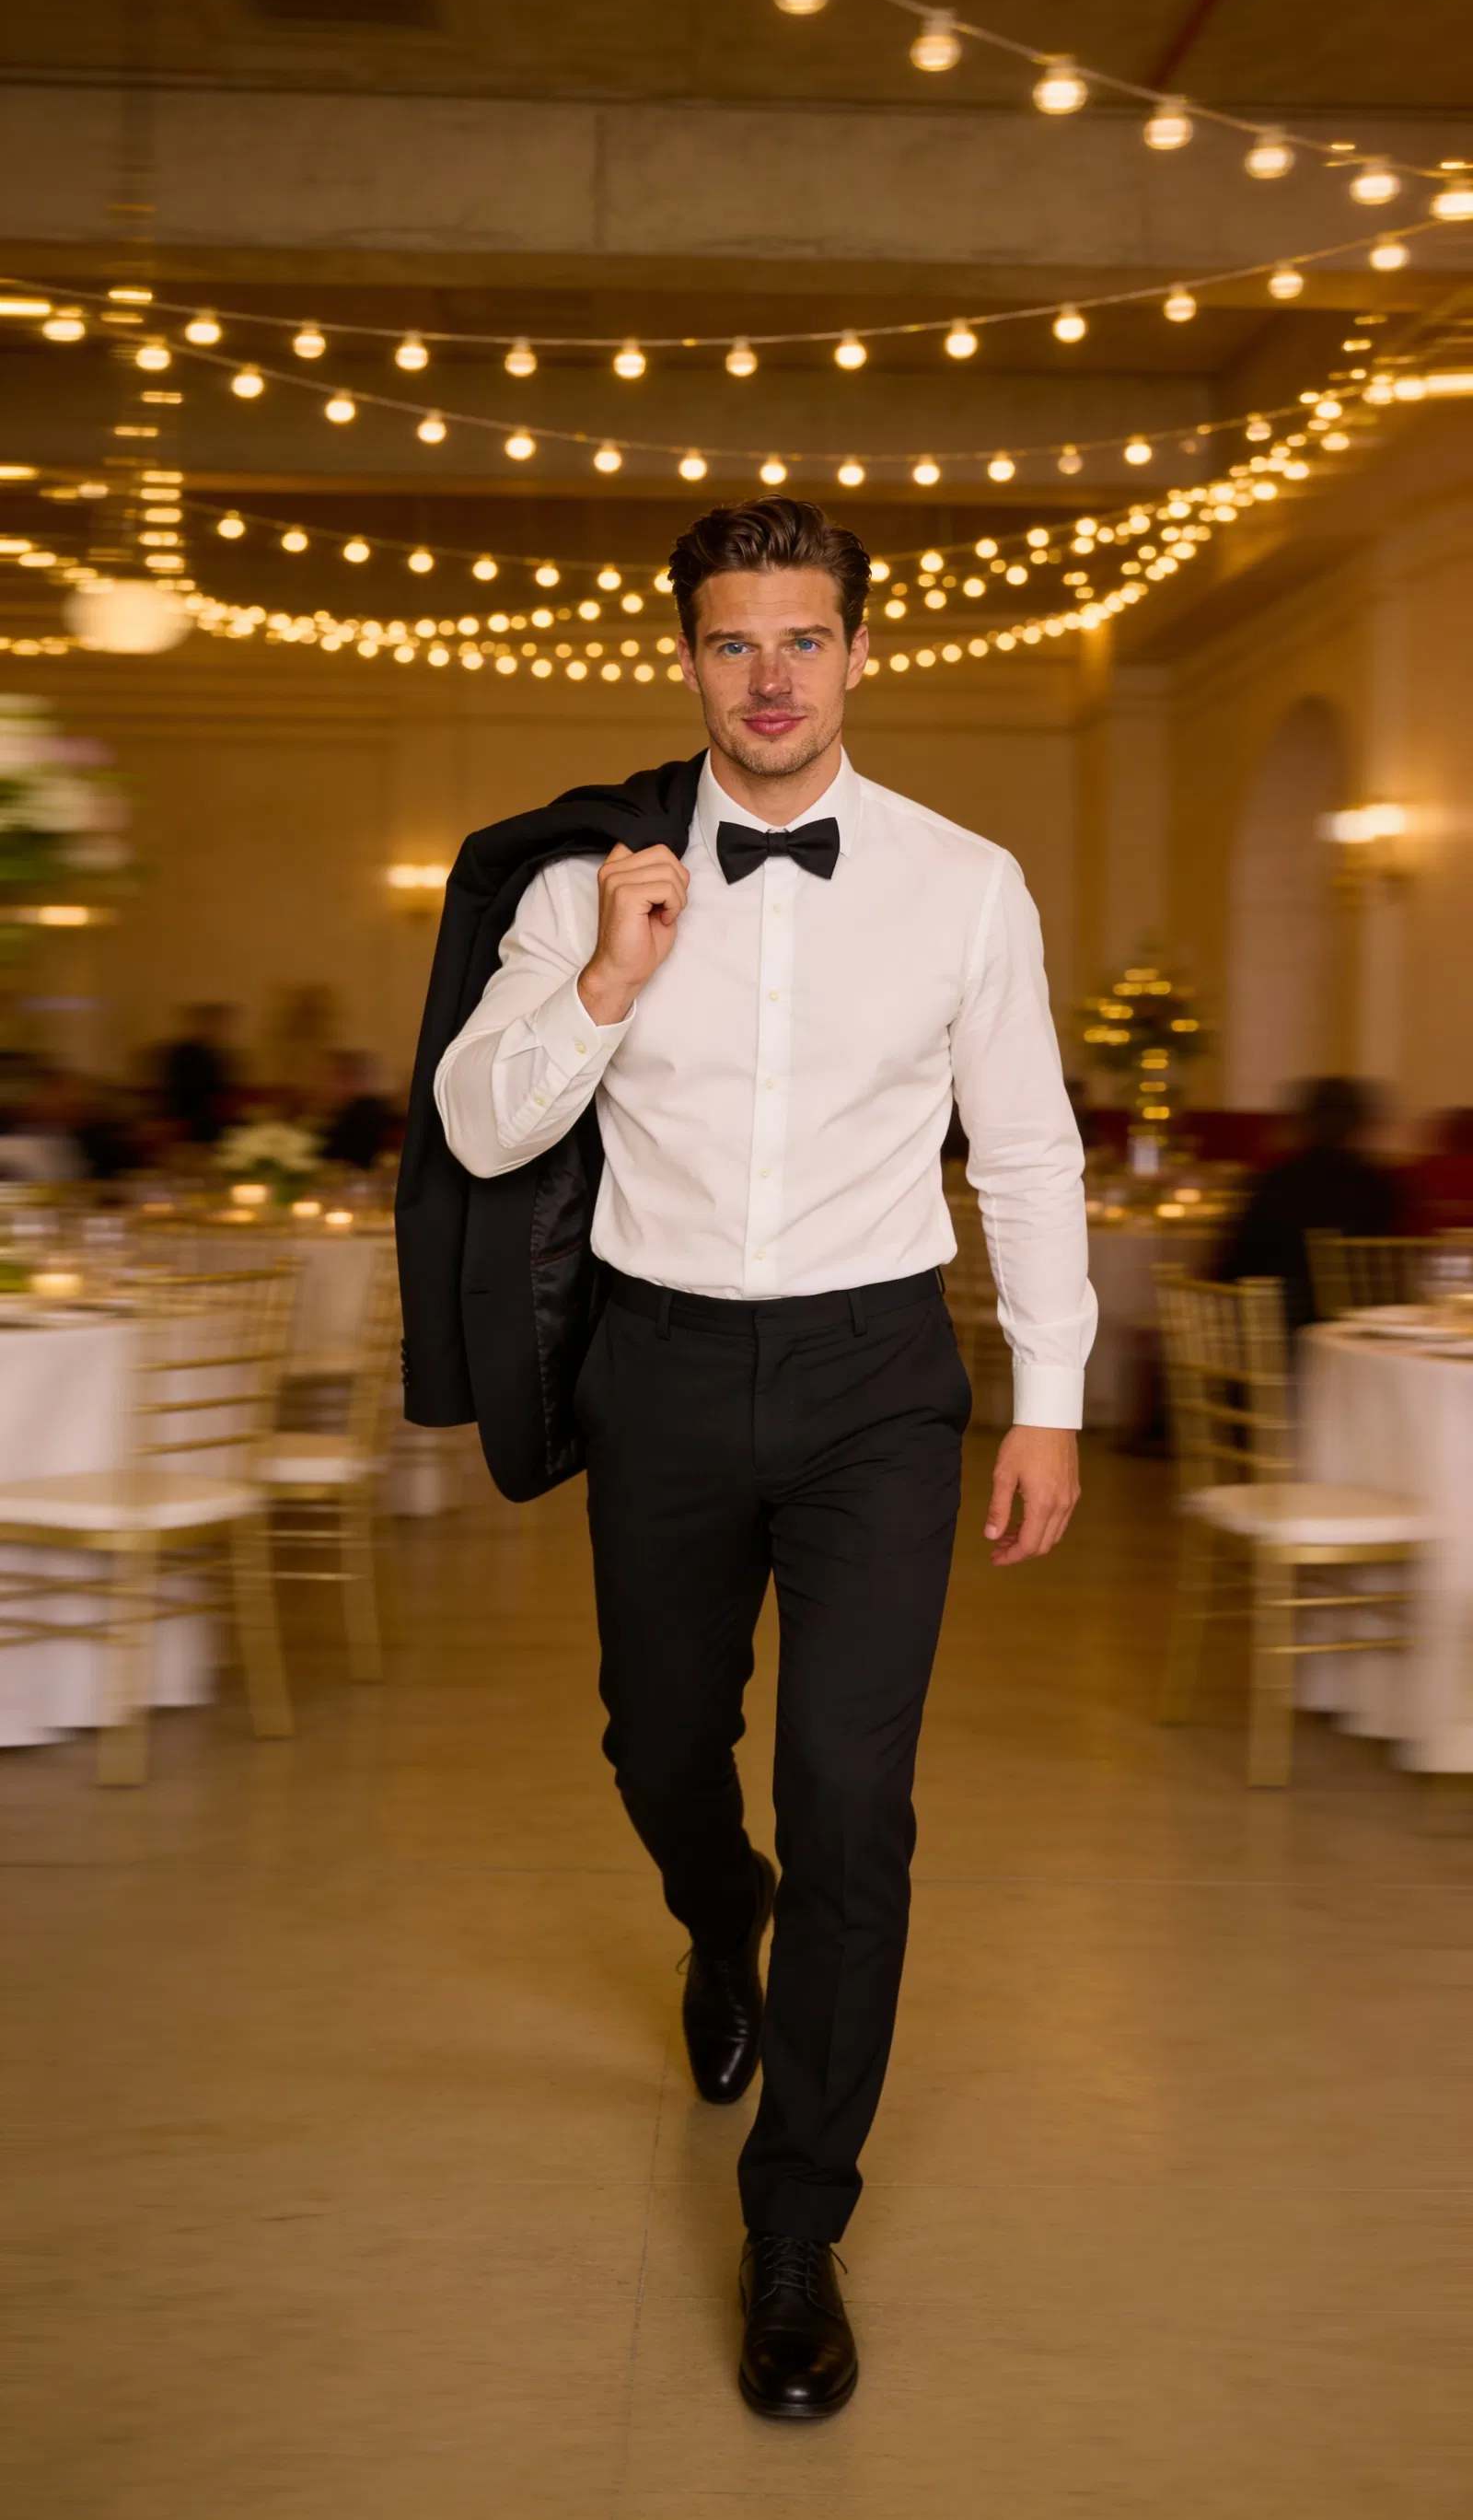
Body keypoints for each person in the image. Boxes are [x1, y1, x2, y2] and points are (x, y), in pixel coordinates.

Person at [434, 497, 1095, 2419]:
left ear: (860, 653)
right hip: (653, 1364)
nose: (771, 677)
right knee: (658, 1744)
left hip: (876, 1378)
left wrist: (1046, 1389)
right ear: (690, 660)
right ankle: (714, 1923)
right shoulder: (590, 882)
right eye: (732, 642)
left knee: (853, 1802)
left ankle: (792, 2221)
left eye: (801, 638)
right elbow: (480, 1133)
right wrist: (606, 982)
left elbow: (1030, 1155)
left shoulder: (964, 885)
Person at [1216, 1074, 1403, 1330]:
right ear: (1362, 1125)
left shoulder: (1274, 1180)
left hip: (1267, 1326)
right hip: (1350, 1326)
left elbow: (1234, 1262)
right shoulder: (1378, 1187)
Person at [159, 1003, 238, 1146]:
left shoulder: (222, 1055)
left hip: (214, 1119)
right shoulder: (182, 1054)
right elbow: (173, 1087)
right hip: (187, 1118)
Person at [320, 1050, 396, 1171]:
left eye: (333, 1078)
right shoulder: (355, 1107)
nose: (327, 1085)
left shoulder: (365, 1112)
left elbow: (346, 1152)